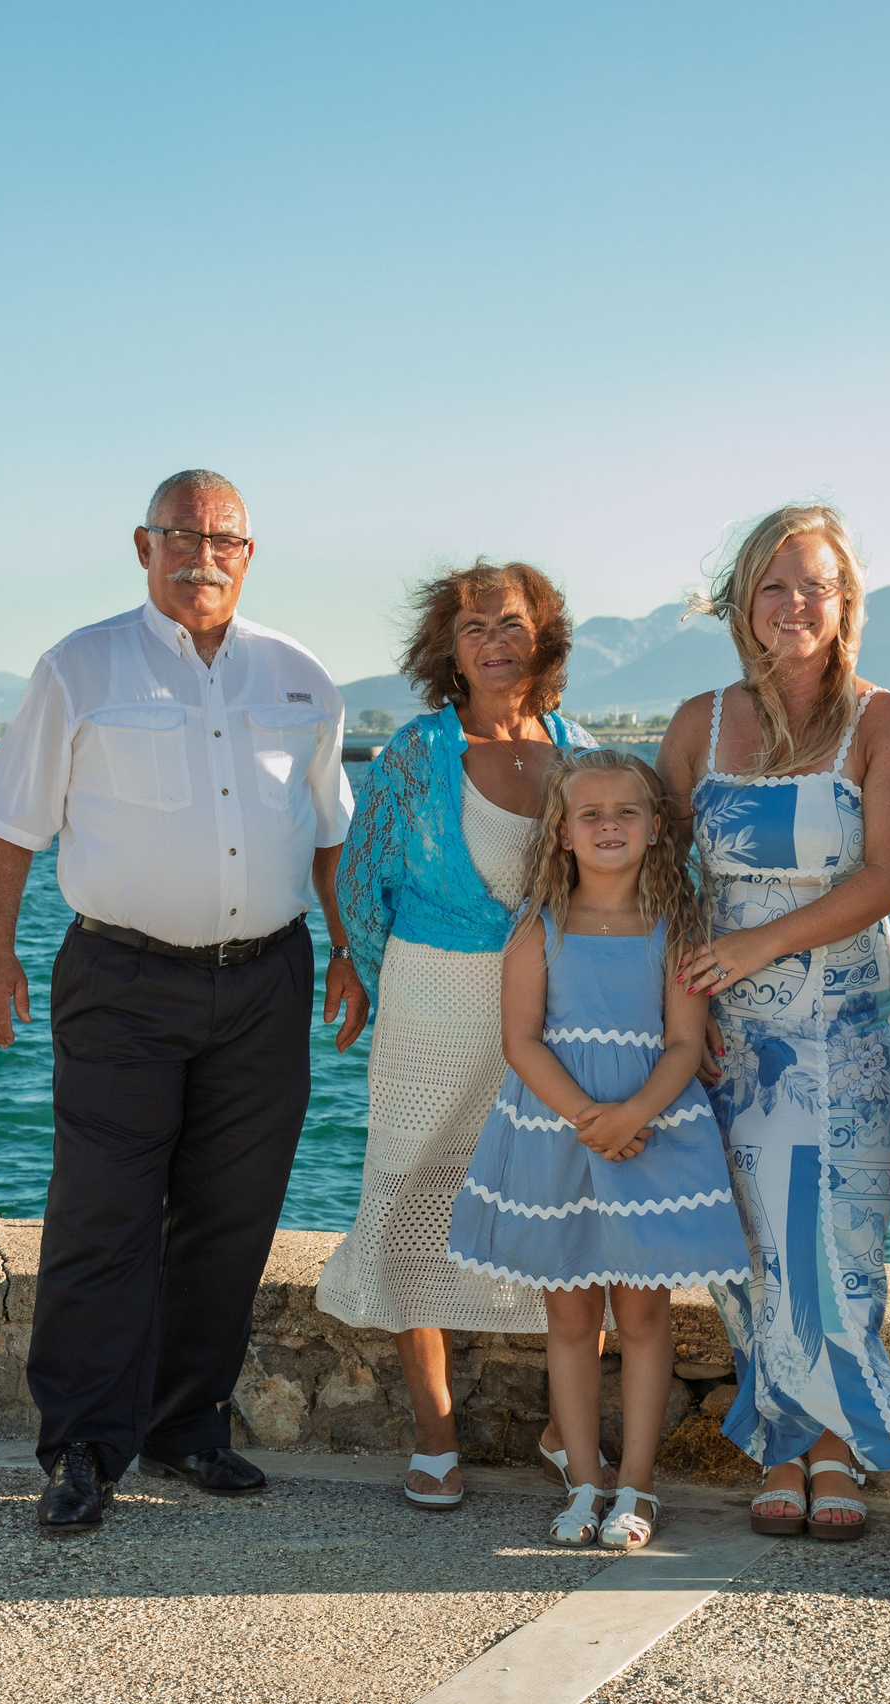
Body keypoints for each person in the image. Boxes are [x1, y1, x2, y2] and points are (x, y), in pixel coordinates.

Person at [0, 469, 368, 1535]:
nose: (202, 553)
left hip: (267, 978)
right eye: (180, 534)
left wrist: (349, 950)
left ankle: (187, 1426)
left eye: (223, 537)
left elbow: (331, 836)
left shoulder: (301, 677)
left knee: (231, 1218)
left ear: (249, 552)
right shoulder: (79, 666)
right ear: (141, 545)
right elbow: (9, 825)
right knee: (102, 1211)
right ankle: (85, 1447)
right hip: (122, 979)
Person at [658, 503, 890, 1539]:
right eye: (772, 585)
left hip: (846, 1020)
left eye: (812, 583)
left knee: (838, 1237)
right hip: (725, 1028)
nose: (792, 604)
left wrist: (763, 945)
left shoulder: (884, 719)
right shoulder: (699, 722)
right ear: (742, 603)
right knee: (749, 1237)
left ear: (844, 598)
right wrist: (680, 999)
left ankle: (835, 1444)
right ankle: (780, 1433)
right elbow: (657, 872)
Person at [321, 560, 598, 1509]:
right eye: (472, 626)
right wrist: (355, 965)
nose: (490, 641)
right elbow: (360, 877)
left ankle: (569, 1429)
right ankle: (434, 1432)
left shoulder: (578, 749)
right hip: (431, 1001)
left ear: (543, 636)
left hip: (560, 1009)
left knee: (570, 1200)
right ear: (448, 645)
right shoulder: (415, 751)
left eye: (509, 622)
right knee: (409, 1185)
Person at [446, 749, 752, 1551]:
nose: (609, 825)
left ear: (656, 829)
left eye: (626, 813)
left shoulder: (678, 926)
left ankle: (639, 1488)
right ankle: (586, 1479)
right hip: (560, 1136)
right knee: (573, 1315)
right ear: (563, 832)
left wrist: (634, 1115)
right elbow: (521, 1041)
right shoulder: (538, 927)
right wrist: (592, 1117)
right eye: (591, 814)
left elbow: (685, 1044)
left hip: (654, 1133)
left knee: (647, 1314)